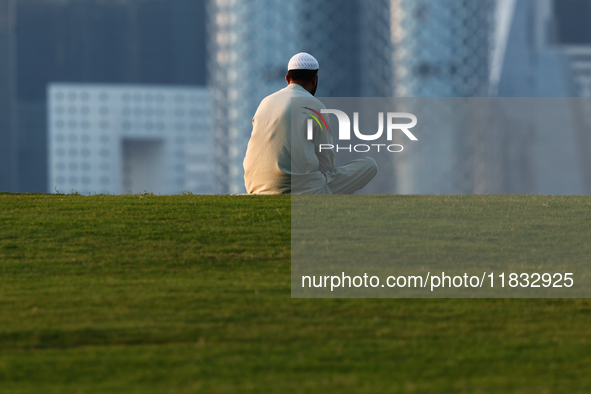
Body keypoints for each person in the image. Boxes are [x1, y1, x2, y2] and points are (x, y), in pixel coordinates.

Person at [243, 52, 377, 195]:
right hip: (302, 190)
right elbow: (327, 164)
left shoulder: (265, 102)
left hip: (256, 187)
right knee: (369, 165)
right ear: (315, 79)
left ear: (287, 79)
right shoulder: (314, 105)